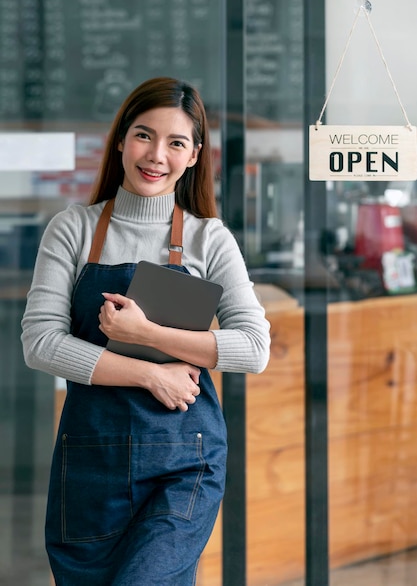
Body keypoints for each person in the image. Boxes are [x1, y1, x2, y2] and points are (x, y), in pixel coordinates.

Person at [21, 76, 270, 586]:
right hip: (91, 462)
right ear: (120, 140)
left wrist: (149, 333)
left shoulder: (209, 238)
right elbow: (41, 343)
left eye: (176, 142)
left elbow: (254, 348)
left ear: (195, 155)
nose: (156, 154)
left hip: (184, 461)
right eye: (143, 135)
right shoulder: (73, 229)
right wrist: (150, 375)